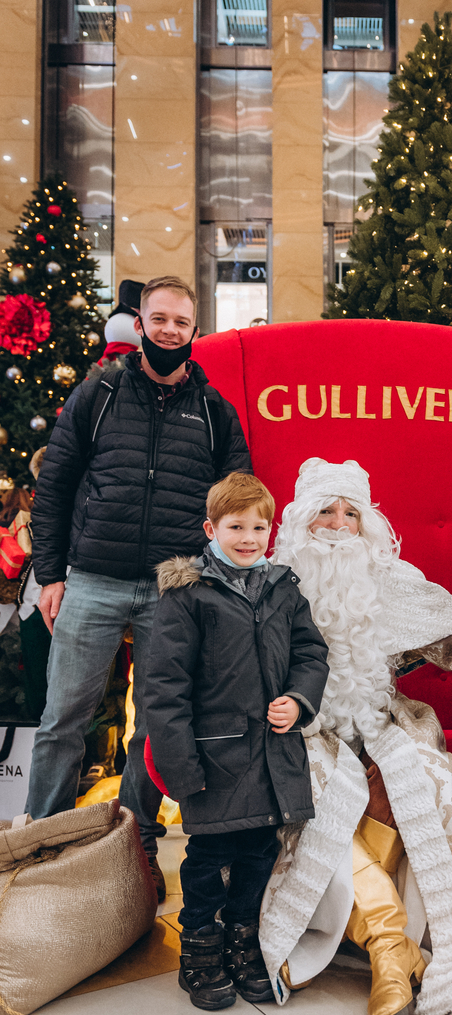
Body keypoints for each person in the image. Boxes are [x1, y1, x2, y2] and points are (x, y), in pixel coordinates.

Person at [25, 275, 252, 901]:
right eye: (159, 320)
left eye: (181, 322)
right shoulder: (98, 392)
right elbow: (56, 486)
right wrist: (50, 575)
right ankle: (39, 845)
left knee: (155, 727)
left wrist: (218, 587)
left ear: (195, 331)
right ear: (141, 324)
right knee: (63, 718)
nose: (170, 332)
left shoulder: (214, 413)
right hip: (93, 579)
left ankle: (134, 845)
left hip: (172, 590)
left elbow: (239, 503)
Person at [261, 458, 452, 1015]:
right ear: (302, 520)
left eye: (352, 513)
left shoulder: (391, 579)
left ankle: (399, 940)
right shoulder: (273, 582)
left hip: (380, 721)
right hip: (300, 727)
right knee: (317, 795)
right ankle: (389, 942)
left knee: (429, 780)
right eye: (327, 511)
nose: (340, 525)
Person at [144, 472, 329, 1012]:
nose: (249, 537)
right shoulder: (188, 595)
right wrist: (181, 769)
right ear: (211, 528)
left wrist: (297, 699)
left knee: (258, 853)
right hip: (214, 756)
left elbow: (310, 655)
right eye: (235, 526)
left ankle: (244, 942)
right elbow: (164, 688)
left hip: (272, 756)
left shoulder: (283, 589)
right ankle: (199, 949)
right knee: (207, 858)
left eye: (259, 526)